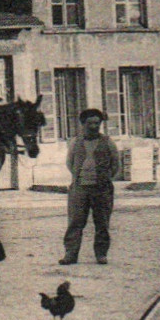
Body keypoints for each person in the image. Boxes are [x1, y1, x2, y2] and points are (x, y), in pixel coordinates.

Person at [60, 108, 119, 265]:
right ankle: (71, 254)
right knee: (75, 222)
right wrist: (79, 177)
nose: (94, 126)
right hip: (79, 188)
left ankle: (101, 254)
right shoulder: (75, 142)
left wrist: (105, 179)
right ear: (83, 124)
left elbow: (115, 164)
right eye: (90, 123)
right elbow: (69, 163)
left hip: (102, 189)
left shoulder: (108, 142)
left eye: (97, 123)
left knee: (102, 223)